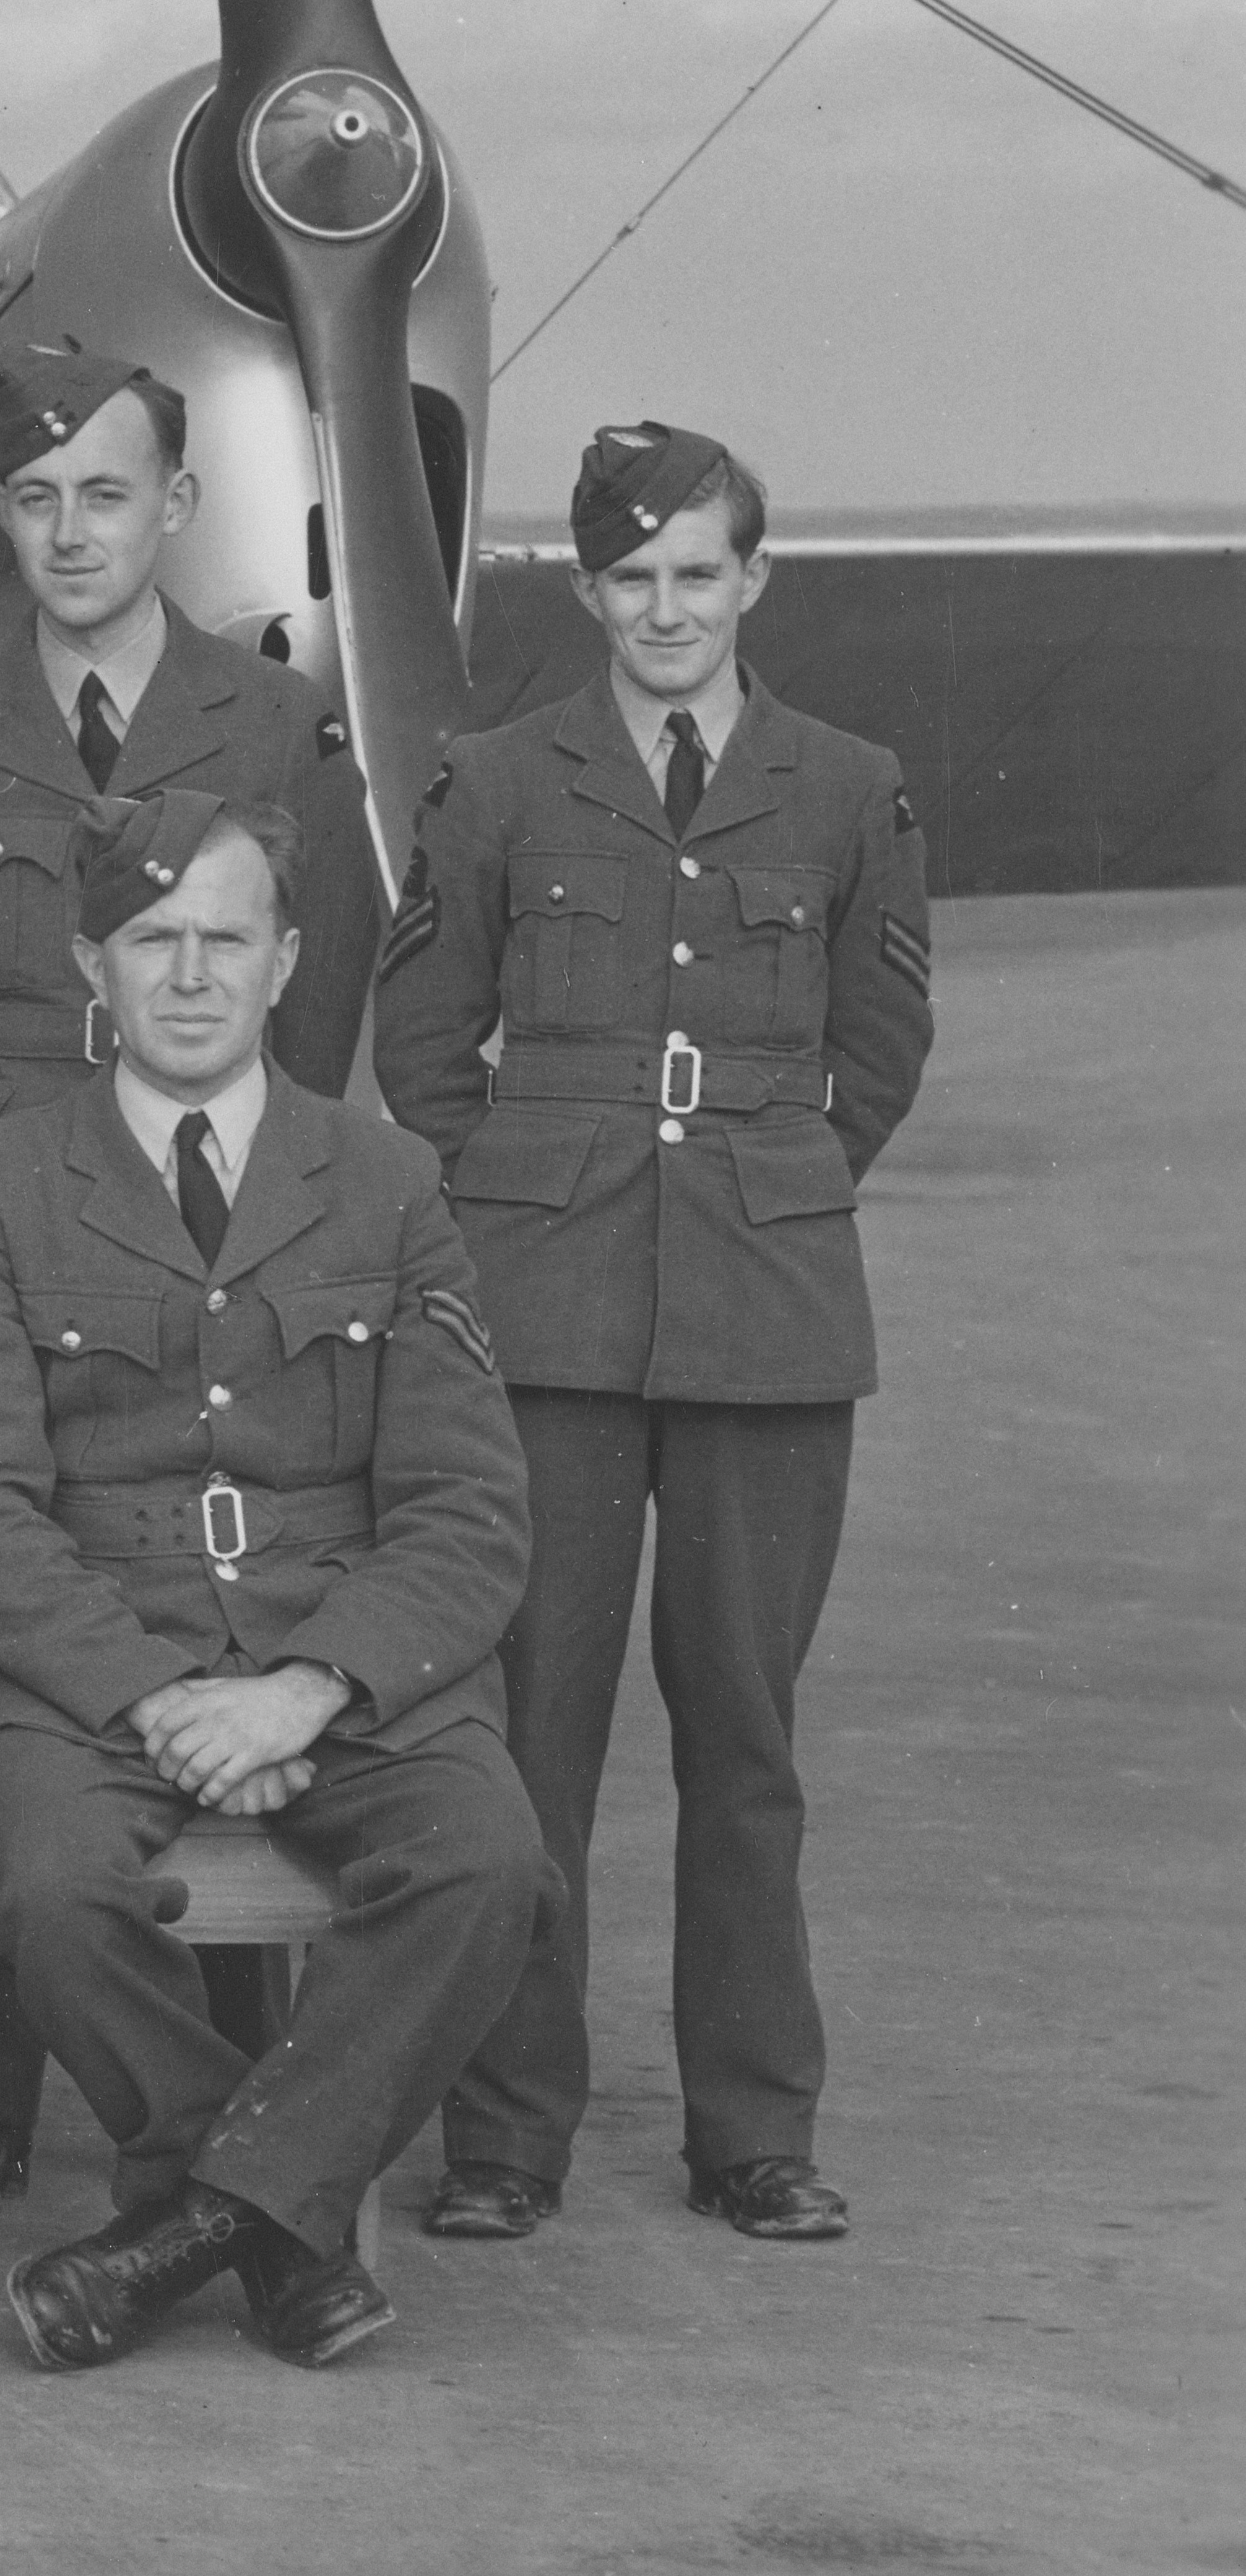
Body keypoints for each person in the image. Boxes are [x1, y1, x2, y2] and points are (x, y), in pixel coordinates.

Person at [0, 345, 383, 2221]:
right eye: (37, 495)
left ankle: (236, 2074)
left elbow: (317, 989)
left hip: (211, 1209)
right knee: (4, 1628)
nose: (72, 529)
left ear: (176, 506)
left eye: (107, 491)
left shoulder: (270, 722)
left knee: (215, 1582)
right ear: (1, 513)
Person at [381, 422, 934, 2247]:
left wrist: (775, 1176)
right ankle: (504, 2136)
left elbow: (881, 1049)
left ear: (753, 581)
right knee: (530, 1741)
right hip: (543, 1317)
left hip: (769, 1322)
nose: (668, 608)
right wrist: (524, 1192)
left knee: (746, 1742)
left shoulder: (849, 785)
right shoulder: (495, 779)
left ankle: (752, 2127)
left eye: (701, 573)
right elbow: (420, 1040)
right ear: (588, 588)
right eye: (632, 578)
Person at [0, 789, 544, 2371]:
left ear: (284, 961)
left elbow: (469, 1500)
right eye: (148, 940)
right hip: (85, 1655)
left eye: (223, 938)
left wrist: (307, 1685)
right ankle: (275, 2213)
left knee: (485, 1858)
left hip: (329, 1644)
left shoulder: (387, 1179)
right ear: (88, 965)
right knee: (49, 1889)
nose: (186, 975)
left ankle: (196, 2220)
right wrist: (150, 1693)